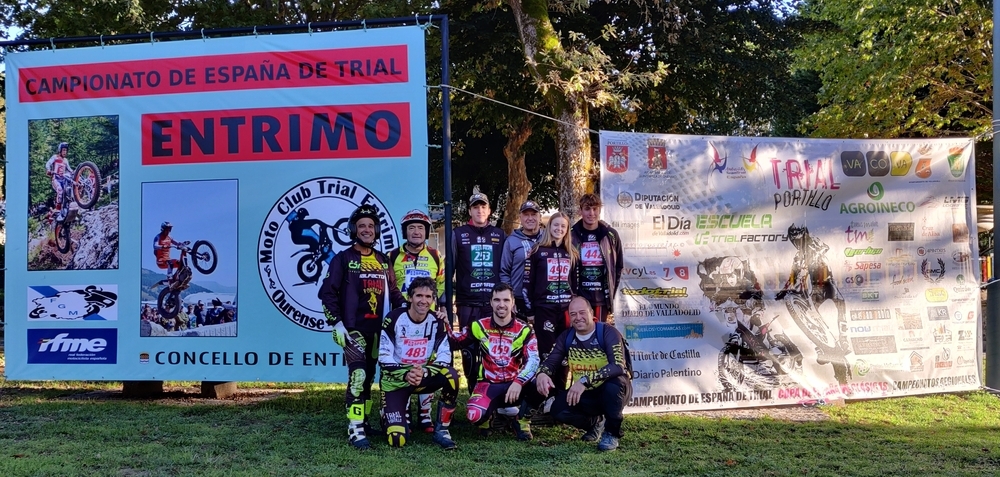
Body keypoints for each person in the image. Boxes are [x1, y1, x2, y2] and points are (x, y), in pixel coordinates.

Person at [319, 204, 406, 450]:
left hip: (380, 331)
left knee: (370, 378)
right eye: (362, 226)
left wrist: (410, 309)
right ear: (353, 230)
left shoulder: (382, 260)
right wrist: (335, 323)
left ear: (376, 230)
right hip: (353, 329)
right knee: (357, 376)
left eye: (370, 226)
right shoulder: (343, 259)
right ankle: (355, 428)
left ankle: (365, 420)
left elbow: (395, 292)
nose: (367, 230)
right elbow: (327, 293)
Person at [534, 296, 632, 452]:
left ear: (591, 312)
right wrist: (542, 374)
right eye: (573, 314)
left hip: (613, 390)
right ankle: (595, 423)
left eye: (582, 312)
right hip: (586, 393)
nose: (578, 317)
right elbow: (550, 361)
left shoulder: (608, 332)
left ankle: (612, 432)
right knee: (558, 410)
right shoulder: (567, 337)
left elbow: (618, 366)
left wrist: (585, 380)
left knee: (614, 385)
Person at [449, 283, 539, 441]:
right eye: (497, 300)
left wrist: (519, 381)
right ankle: (488, 418)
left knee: (541, 385)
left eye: (506, 300)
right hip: (488, 384)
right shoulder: (479, 325)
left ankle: (522, 421)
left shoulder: (525, 330)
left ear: (512, 302)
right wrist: (441, 323)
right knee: (474, 415)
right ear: (491, 302)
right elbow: (455, 341)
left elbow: (533, 360)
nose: (501, 304)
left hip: (515, 384)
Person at [378, 277, 460, 450]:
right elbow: (384, 357)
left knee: (451, 375)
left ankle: (442, 430)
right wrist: (406, 373)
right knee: (397, 439)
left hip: (422, 375)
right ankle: (387, 412)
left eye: (429, 297)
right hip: (397, 380)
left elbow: (445, 356)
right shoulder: (393, 318)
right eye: (419, 296)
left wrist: (424, 372)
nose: (424, 301)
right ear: (410, 298)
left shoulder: (437, 321)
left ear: (433, 299)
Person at [389, 208, 446, 433]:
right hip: (401, 319)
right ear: (405, 231)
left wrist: (440, 310)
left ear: (426, 232)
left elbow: (440, 286)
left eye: (420, 228)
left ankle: (425, 414)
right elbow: (389, 285)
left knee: (426, 361)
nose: (416, 232)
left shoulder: (435, 255)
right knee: (403, 361)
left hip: (427, 319)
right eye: (411, 228)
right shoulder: (392, 255)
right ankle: (402, 411)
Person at [452, 186, 506, 392]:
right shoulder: (458, 234)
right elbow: (450, 269)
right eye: (475, 207)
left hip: (493, 304)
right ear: (470, 211)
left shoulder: (499, 234)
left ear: (489, 210)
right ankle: (473, 387)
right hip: (467, 303)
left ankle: (491, 389)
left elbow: (504, 269)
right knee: (468, 349)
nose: (479, 211)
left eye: (483, 207)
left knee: (493, 348)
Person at [523, 212, 579, 358]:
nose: (559, 229)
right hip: (544, 310)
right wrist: (530, 312)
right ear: (549, 227)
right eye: (556, 225)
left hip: (566, 311)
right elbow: (527, 284)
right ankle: (544, 381)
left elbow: (575, 285)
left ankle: (561, 382)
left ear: (567, 230)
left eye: (563, 226)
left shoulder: (571, 253)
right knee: (546, 353)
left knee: (565, 353)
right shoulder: (537, 250)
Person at [570, 193, 623, 323]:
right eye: (587, 209)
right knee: (580, 332)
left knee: (598, 334)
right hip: (579, 295)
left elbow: (618, 266)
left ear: (599, 210)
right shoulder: (571, 234)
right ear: (580, 211)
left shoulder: (610, 234)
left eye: (595, 209)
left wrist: (611, 292)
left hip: (601, 297)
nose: (591, 213)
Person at [500, 200, 543, 316]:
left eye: (533, 214)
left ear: (540, 217)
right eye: (526, 214)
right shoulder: (511, 241)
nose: (530, 218)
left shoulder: (547, 239)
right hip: (518, 299)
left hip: (543, 299)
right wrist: (509, 298)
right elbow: (504, 272)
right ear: (520, 217)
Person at [45, 142, 72, 221]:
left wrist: (74, 172)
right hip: (55, 179)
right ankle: (58, 209)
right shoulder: (55, 157)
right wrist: (49, 170)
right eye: (63, 150)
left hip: (63, 180)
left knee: (68, 192)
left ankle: (69, 210)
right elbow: (48, 164)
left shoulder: (65, 160)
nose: (65, 152)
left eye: (66, 151)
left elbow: (69, 169)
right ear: (60, 150)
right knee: (60, 190)